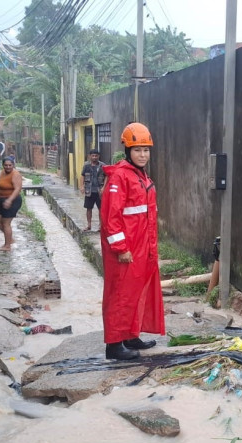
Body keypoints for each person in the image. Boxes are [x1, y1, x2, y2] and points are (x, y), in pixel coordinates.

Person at [100, 123, 165, 360]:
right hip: (126, 250)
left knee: (137, 292)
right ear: (128, 150)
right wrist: (121, 248)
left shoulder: (140, 175)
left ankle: (130, 335)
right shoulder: (120, 176)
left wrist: (150, 248)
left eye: (146, 150)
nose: (143, 154)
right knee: (121, 295)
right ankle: (114, 345)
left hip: (142, 247)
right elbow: (111, 217)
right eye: (137, 150)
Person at [0, 156, 22, 251]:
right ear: (3, 165)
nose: (8, 167)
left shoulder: (15, 174)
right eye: (6, 165)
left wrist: (9, 200)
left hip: (12, 200)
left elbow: (17, 189)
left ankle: (7, 246)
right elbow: (2, 184)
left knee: (6, 223)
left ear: (13, 165)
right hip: (2, 200)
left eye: (10, 165)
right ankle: (10, 239)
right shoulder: (3, 172)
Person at [80, 149, 107, 231]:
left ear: (98, 156)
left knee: (101, 209)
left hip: (100, 191)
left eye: (96, 156)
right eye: (93, 156)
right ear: (90, 156)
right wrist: (82, 186)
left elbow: (107, 176)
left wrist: (104, 187)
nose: (94, 157)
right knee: (89, 208)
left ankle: (100, 226)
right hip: (89, 190)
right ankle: (89, 225)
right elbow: (82, 176)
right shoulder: (86, 165)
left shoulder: (103, 165)